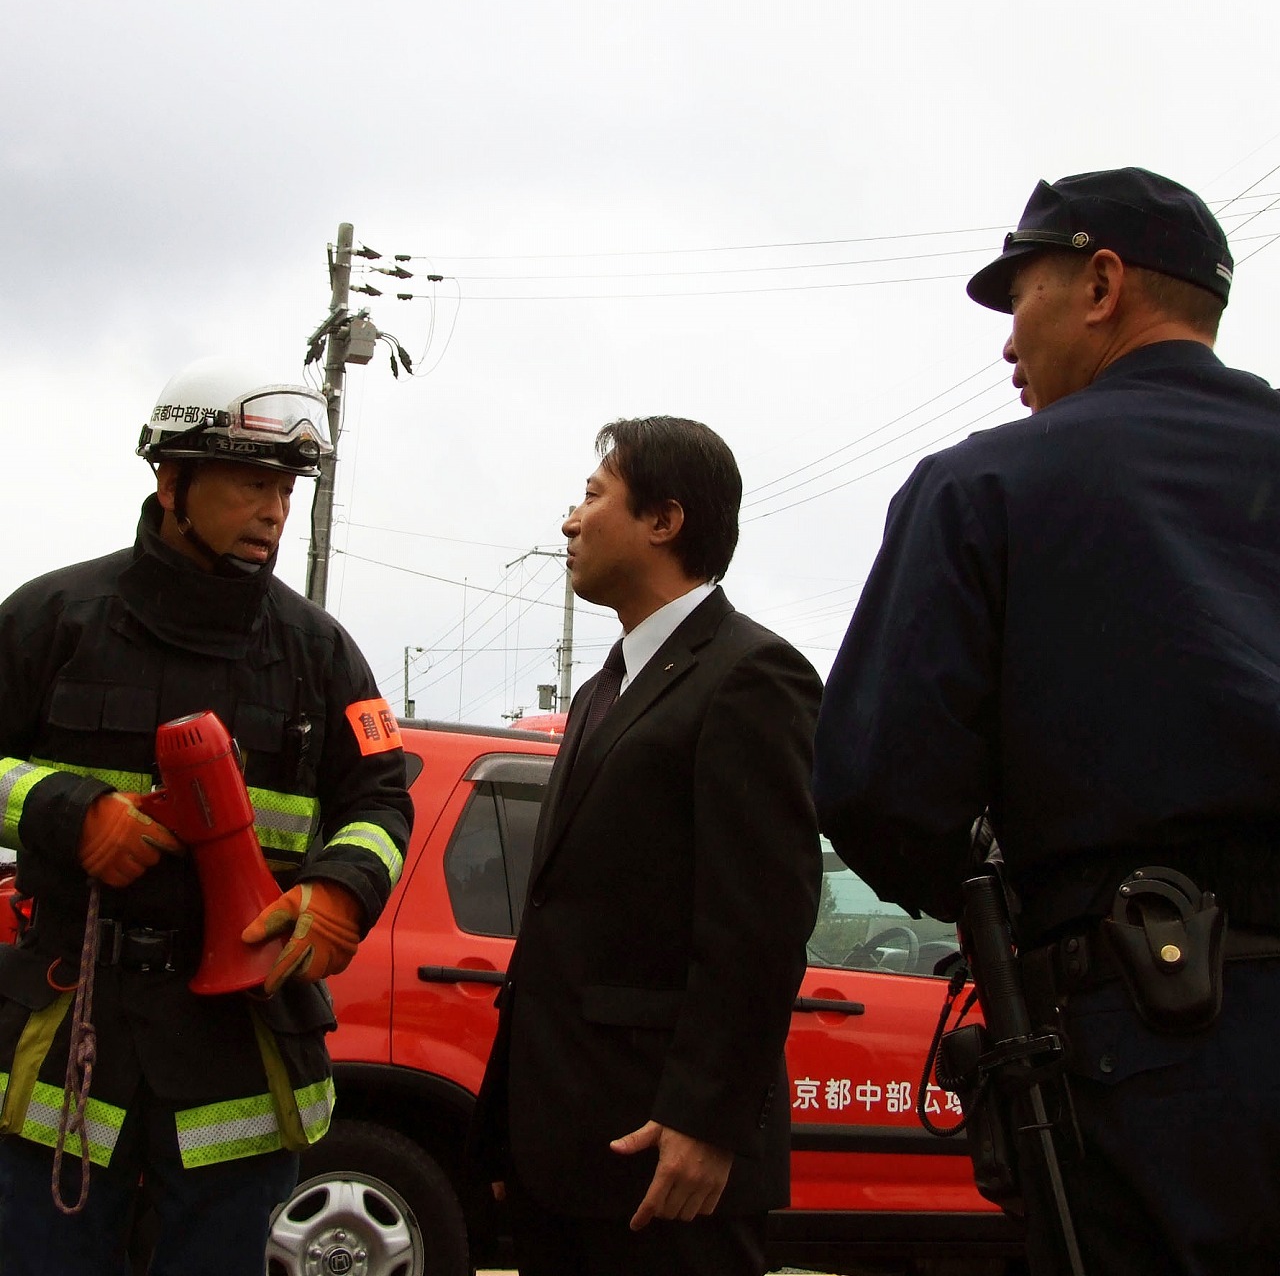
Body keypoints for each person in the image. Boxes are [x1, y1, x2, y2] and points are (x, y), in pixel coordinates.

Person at [812, 166, 1280, 1275]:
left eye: (1018, 298)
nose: (1007, 345)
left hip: (1143, 1032)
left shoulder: (984, 486)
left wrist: (1020, 901)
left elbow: (875, 785)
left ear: (1102, 283)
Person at [0, 357, 413, 1275]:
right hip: (71, 1021)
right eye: (249, 485)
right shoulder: (51, 619)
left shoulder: (322, 654)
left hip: (241, 1048)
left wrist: (343, 892)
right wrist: (68, 813)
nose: (274, 510)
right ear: (171, 481)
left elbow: (382, 797)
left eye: (286, 489)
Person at [470, 416, 822, 1276]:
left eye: (592, 497)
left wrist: (709, 1121)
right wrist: (511, 1127)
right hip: (565, 1151)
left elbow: (760, 924)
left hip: (669, 1154)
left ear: (664, 521)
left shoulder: (751, 675)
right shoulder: (604, 688)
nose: (569, 522)